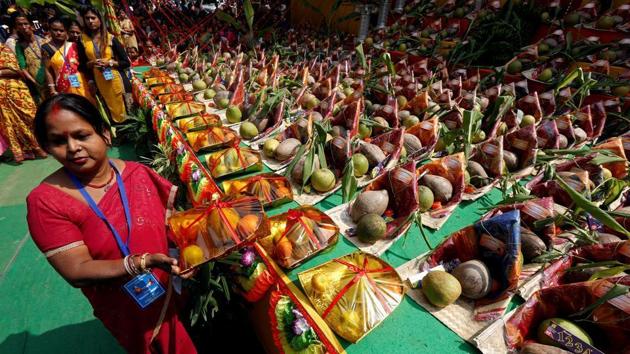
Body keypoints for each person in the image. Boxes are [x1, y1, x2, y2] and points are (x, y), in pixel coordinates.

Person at [27, 94, 197, 354]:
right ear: (47, 147)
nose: (73, 148)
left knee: (178, 332)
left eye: (81, 135)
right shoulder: (46, 202)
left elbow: (170, 226)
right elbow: (77, 270)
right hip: (124, 301)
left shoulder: (136, 174)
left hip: (168, 282)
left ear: (104, 134)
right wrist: (142, 262)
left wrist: (187, 255)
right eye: (59, 141)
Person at [77, 6, 130, 123]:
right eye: (87, 18)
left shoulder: (110, 38)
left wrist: (110, 62)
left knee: (123, 108)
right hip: (98, 82)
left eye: (93, 18)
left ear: (100, 20)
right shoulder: (82, 40)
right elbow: (81, 65)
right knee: (107, 110)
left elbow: (125, 62)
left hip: (116, 79)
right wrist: (90, 63)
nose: (90, 21)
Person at [0, 42, 46, 163]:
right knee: (10, 124)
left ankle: (43, 145)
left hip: (16, 92)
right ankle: (28, 151)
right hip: (1, 97)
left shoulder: (3, 49)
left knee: (31, 117)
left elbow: (16, 71)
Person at [42, 17, 94, 102]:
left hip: (82, 83)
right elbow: (48, 70)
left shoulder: (74, 45)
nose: (58, 33)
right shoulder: (46, 48)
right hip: (63, 85)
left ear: (66, 32)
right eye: (55, 30)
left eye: (61, 31)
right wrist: (52, 90)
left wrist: (91, 81)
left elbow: (84, 64)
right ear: (50, 30)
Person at [13, 11, 46, 102]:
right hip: (37, 83)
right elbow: (23, 67)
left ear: (31, 24)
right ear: (16, 27)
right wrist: (34, 82)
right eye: (20, 25)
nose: (23, 27)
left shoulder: (44, 40)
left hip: (50, 77)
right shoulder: (19, 45)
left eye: (25, 24)